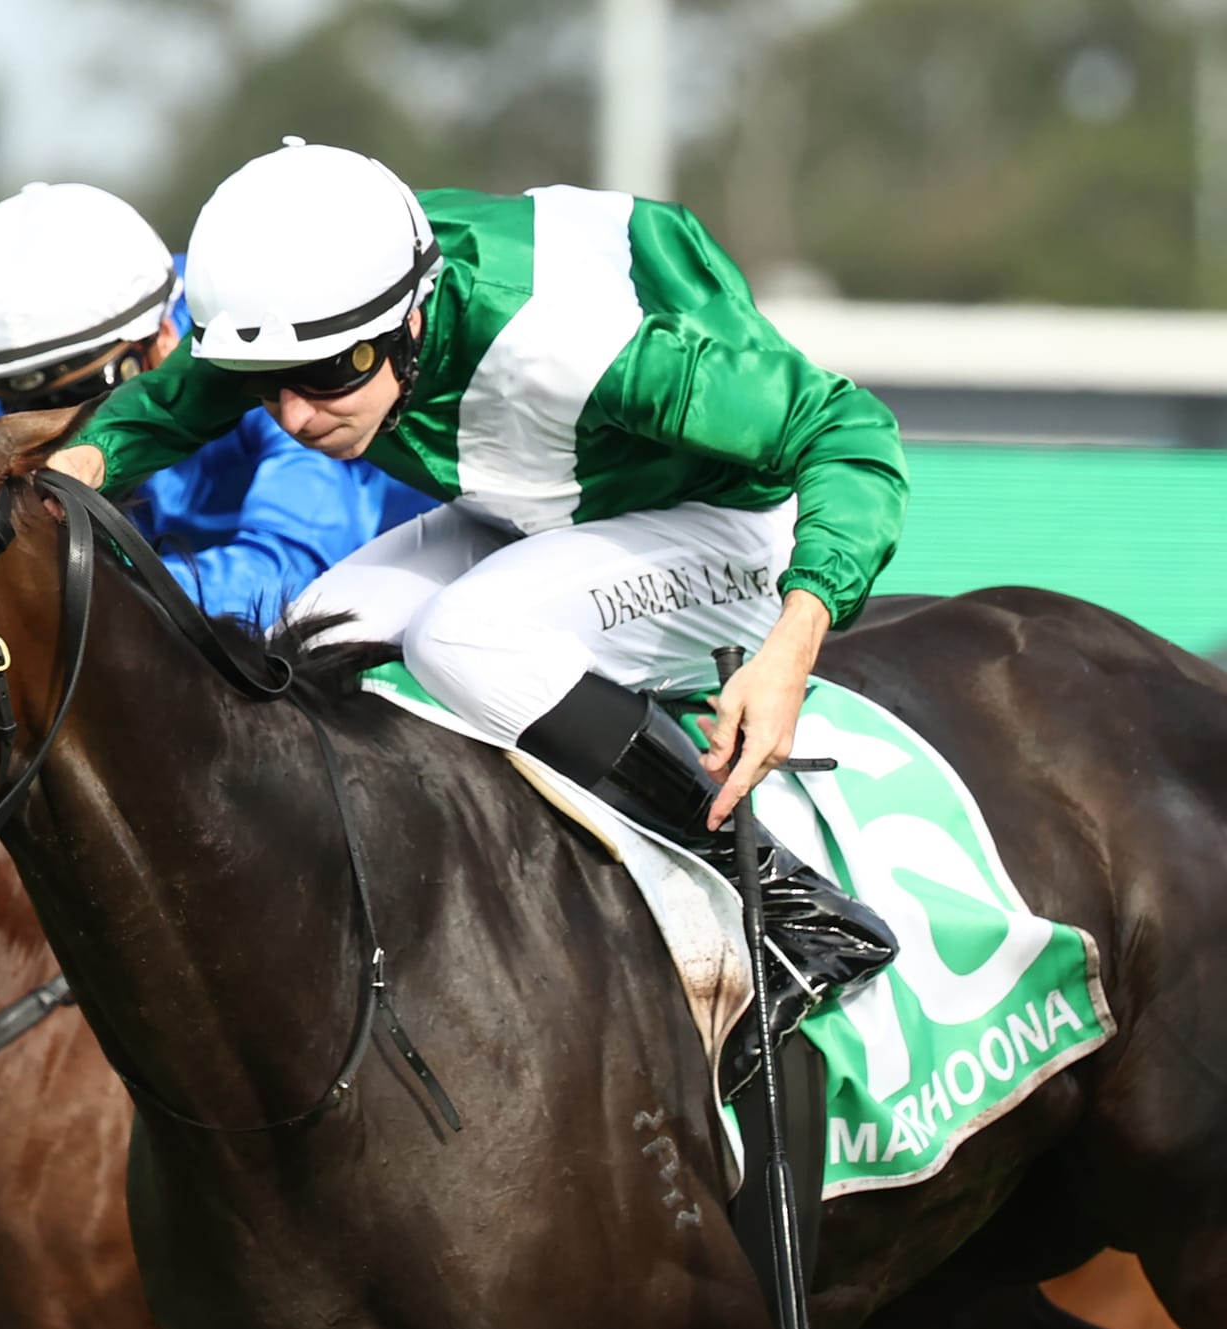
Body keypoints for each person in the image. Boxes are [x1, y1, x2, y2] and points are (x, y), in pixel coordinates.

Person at [44, 138, 908, 1097]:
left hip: (735, 529)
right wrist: (69, 473)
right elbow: (172, 403)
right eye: (270, 384)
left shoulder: (569, 351)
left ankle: (795, 912)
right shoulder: (322, 297)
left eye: (331, 374)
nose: (292, 417)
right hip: (553, 505)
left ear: (411, 319)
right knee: (318, 633)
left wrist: (794, 640)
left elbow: (849, 429)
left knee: (458, 637)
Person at [0, 181, 435, 628]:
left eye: (86, 392)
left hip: (404, 574)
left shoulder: (268, 354)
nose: (64, 421)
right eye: (25, 403)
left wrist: (80, 593)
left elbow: (293, 569)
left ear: (163, 335)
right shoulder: (10, 393)